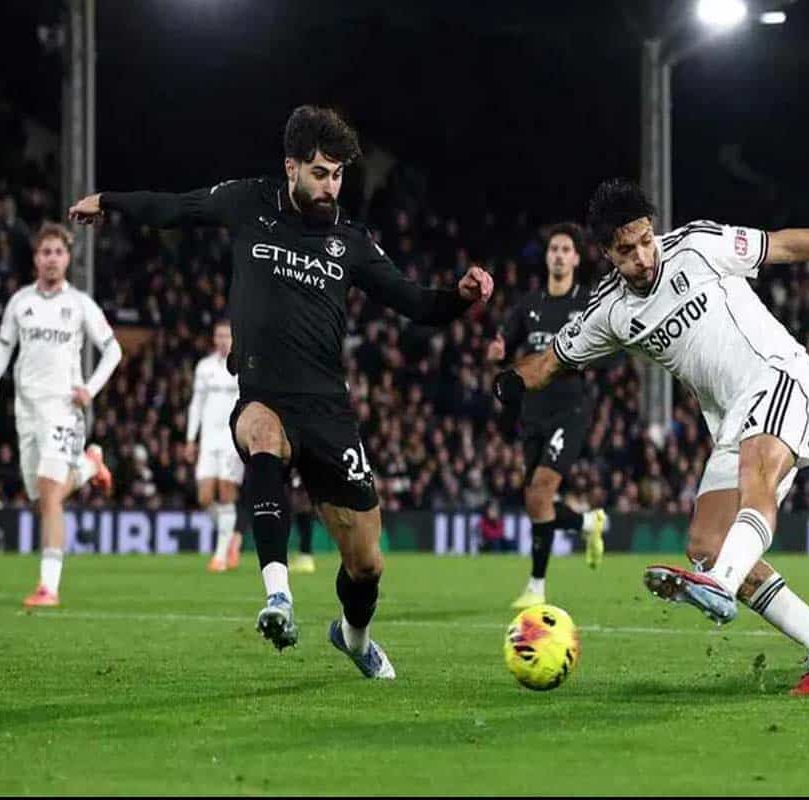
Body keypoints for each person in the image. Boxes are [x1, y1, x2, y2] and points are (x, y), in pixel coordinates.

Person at [68, 105, 493, 678]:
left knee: (366, 564)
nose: (330, 186)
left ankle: (354, 636)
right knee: (260, 435)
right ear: (291, 166)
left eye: (339, 175)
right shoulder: (250, 202)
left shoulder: (351, 240)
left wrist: (462, 295)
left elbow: (414, 302)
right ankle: (278, 596)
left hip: (328, 410)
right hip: (264, 392)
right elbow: (179, 208)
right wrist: (111, 201)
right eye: (320, 173)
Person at [494, 179, 809, 694]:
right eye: (627, 249)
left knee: (756, 473)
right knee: (707, 545)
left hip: (779, 375)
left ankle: (722, 587)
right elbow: (553, 360)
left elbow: (782, 245)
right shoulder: (610, 313)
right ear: (606, 254)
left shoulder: (697, 245)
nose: (645, 256)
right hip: (731, 418)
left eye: (647, 239)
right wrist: (508, 383)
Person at [0, 222, 119, 607]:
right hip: (26, 410)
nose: (52, 259)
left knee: (49, 491)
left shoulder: (79, 304)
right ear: (36, 258)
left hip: (64, 409)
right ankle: (90, 466)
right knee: (42, 496)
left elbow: (113, 351)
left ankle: (49, 587)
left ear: (68, 258)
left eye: (58, 252)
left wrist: (89, 390)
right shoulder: (20, 302)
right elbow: (4, 344)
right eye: (46, 252)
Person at [486, 222, 607, 609]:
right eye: (553, 248)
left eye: (565, 249)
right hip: (532, 413)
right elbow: (505, 339)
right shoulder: (529, 304)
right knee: (536, 503)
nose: (558, 254)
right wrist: (498, 346)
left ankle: (537, 586)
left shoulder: (586, 302)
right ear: (547, 256)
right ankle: (589, 523)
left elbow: (606, 343)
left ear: (575, 258)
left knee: (540, 491)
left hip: (570, 410)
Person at [185, 320, 244, 573]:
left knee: (226, 492)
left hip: (231, 439)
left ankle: (220, 556)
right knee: (205, 497)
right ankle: (230, 536)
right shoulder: (204, 367)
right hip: (208, 439)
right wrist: (191, 438)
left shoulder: (242, 366)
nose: (222, 340)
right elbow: (196, 405)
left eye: (226, 336)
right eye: (218, 336)